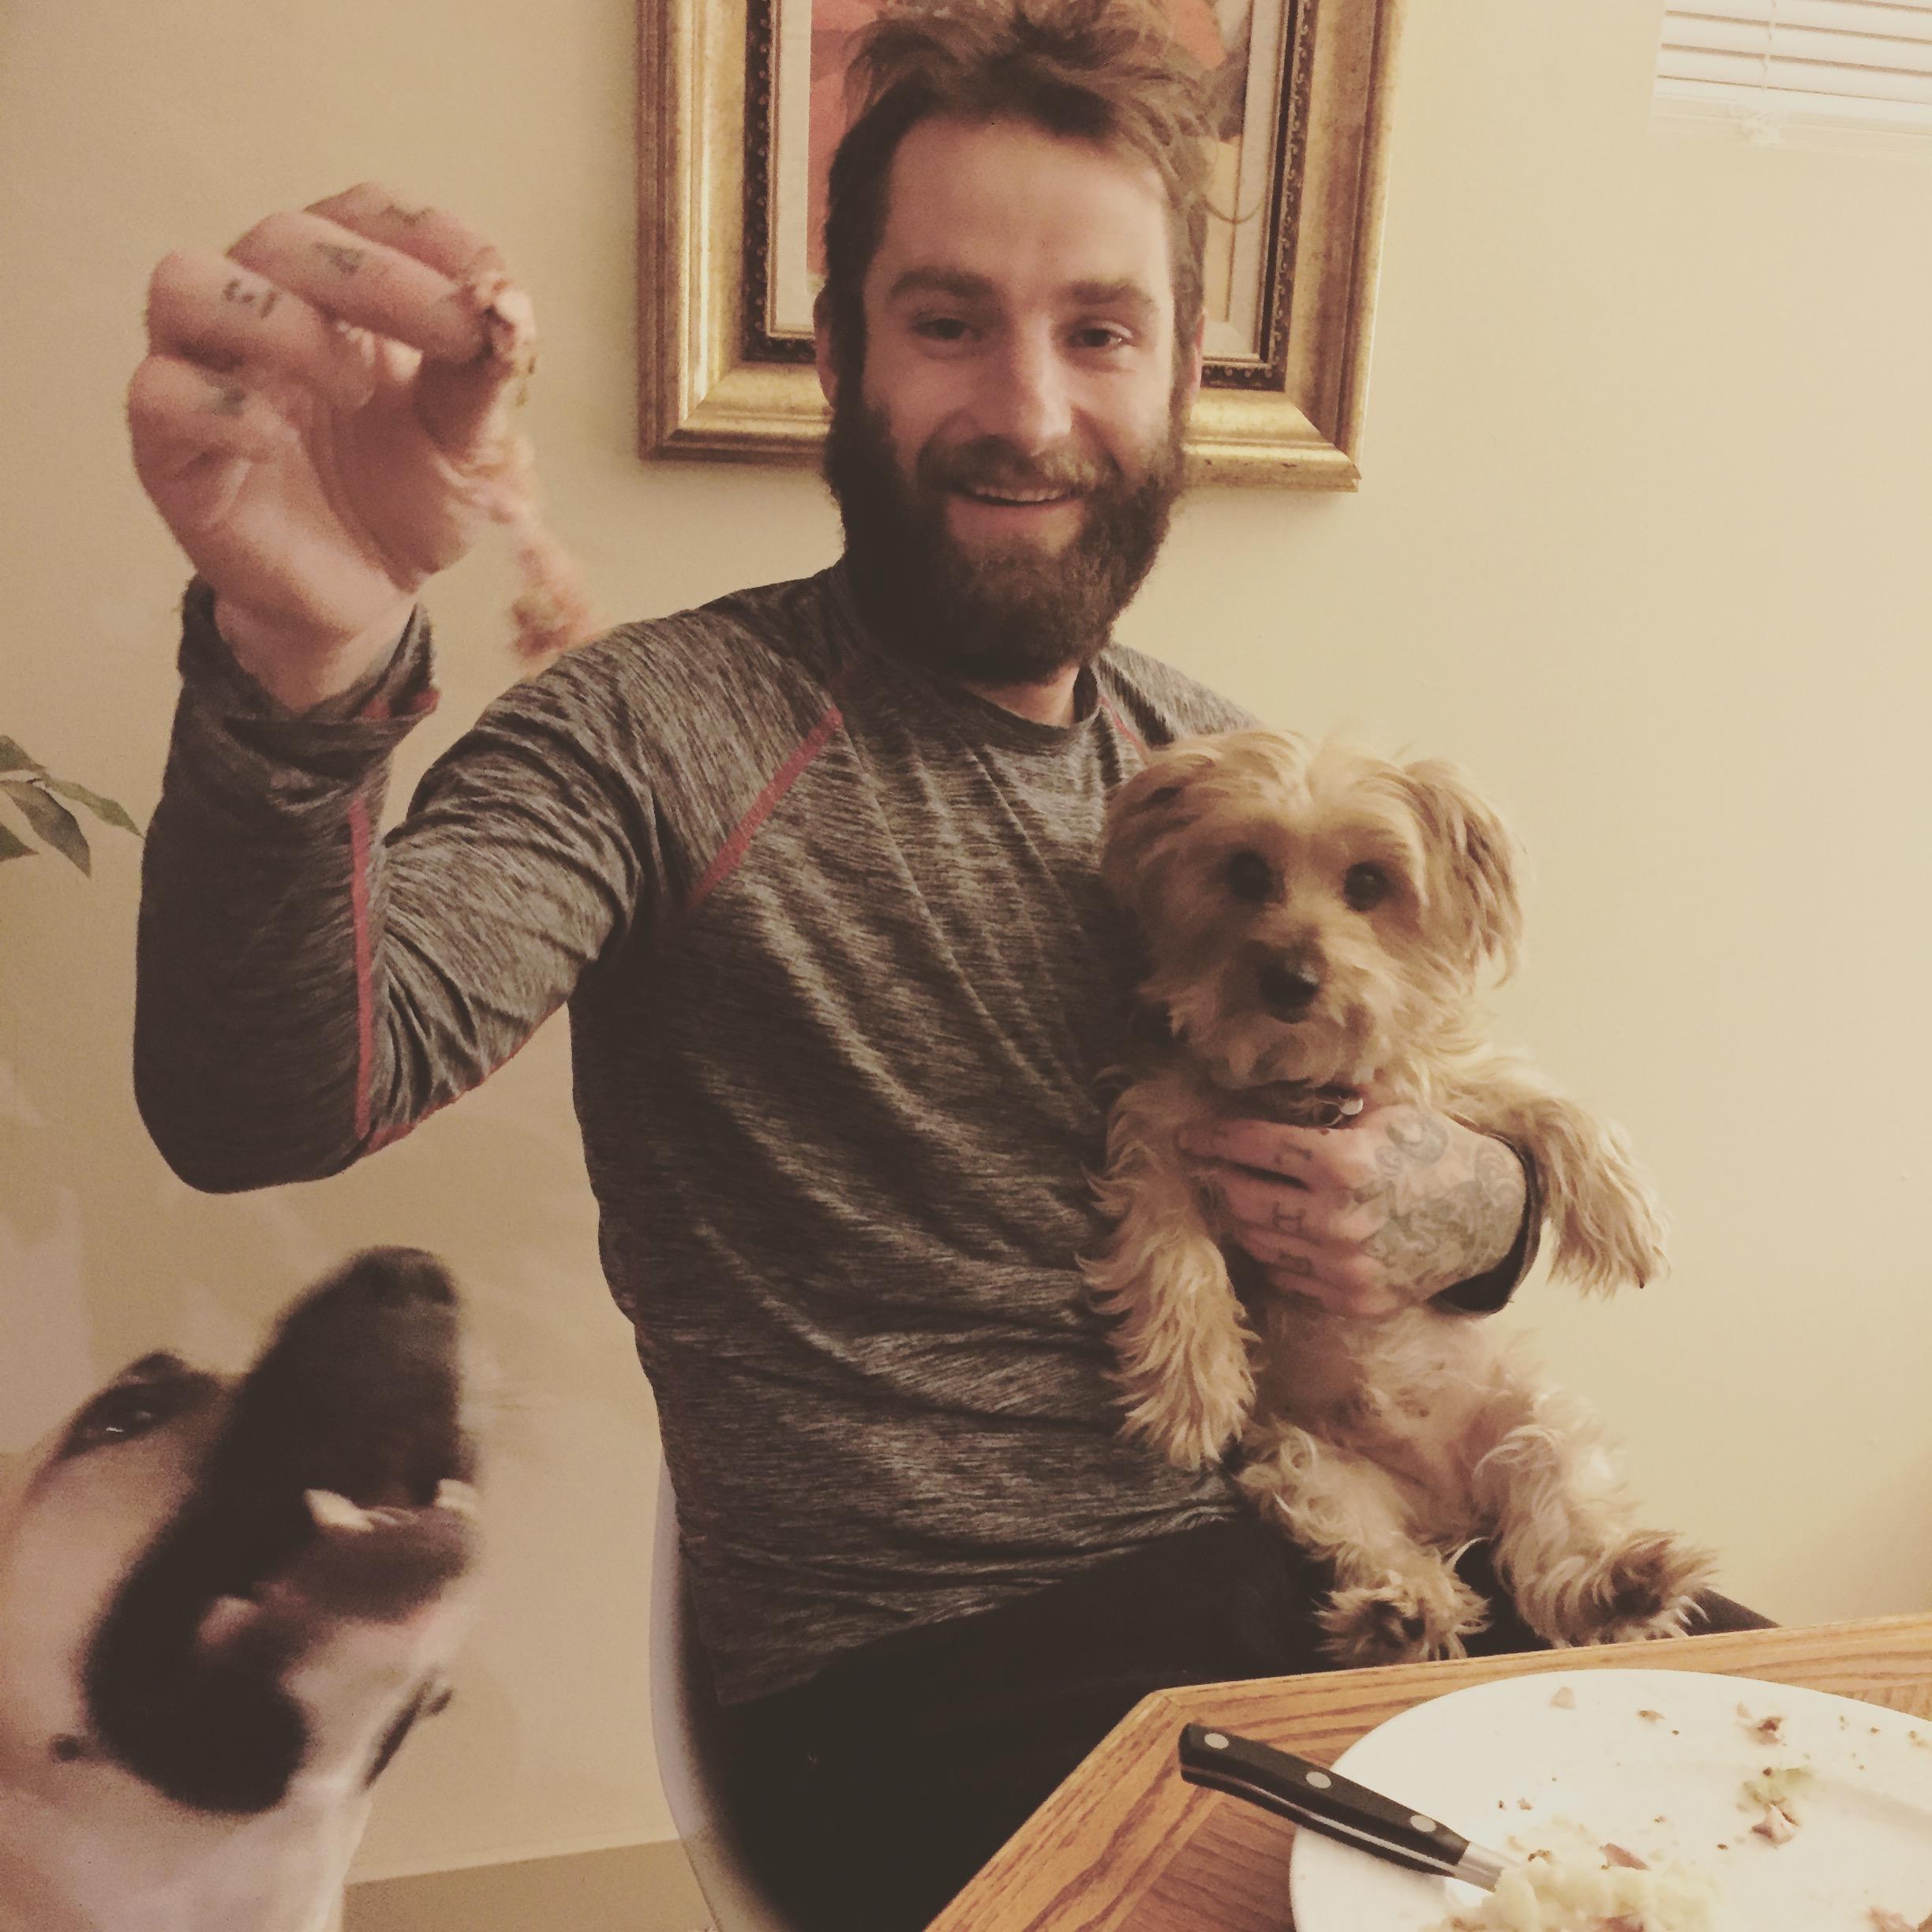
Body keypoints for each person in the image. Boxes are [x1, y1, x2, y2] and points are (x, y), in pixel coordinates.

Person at [125, 3, 1757, 1925]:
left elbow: (1434, 1115)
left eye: (1100, 330)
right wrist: (298, 665)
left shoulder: (1208, 773)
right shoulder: (657, 735)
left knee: (1801, 1813)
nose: (1034, 411)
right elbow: (268, 1099)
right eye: (950, 318)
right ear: (843, 350)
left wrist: (1454, 1203)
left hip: (1327, 1534)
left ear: (1178, 381)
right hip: (924, 1677)